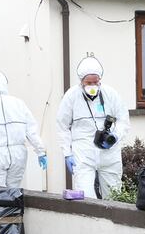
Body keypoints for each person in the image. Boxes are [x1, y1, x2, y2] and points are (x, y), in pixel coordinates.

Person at [56, 56, 130, 199]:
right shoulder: (72, 96)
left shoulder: (110, 94)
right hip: (83, 152)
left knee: (114, 195)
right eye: (88, 82)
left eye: (95, 82)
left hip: (109, 151)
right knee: (86, 197)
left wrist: (115, 136)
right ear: (81, 81)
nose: (92, 85)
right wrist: (67, 153)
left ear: (100, 80)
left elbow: (123, 120)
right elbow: (62, 126)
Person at [0, 70, 48, 188]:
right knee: (13, 193)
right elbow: (31, 131)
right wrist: (40, 151)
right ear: (5, 84)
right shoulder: (19, 104)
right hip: (18, 156)